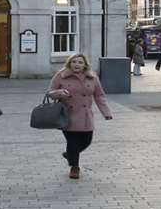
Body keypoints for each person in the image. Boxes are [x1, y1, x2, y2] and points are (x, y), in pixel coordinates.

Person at [48, 52, 114, 180]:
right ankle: (74, 167)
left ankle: (70, 154)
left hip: (86, 115)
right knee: (73, 141)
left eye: (79, 62)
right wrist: (59, 93)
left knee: (86, 141)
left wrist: (106, 112)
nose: (76, 64)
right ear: (69, 63)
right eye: (74, 62)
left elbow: (99, 95)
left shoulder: (92, 77)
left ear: (85, 65)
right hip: (67, 115)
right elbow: (50, 92)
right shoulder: (61, 76)